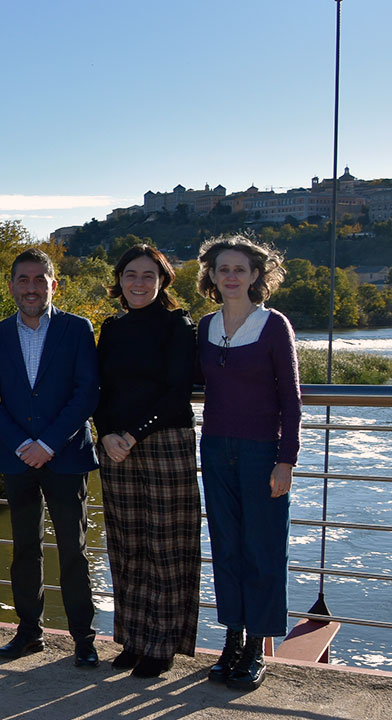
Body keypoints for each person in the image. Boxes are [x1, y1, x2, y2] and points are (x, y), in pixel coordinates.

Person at [0, 248, 101, 668]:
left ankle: (83, 638)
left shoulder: (78, 328)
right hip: (17, 459)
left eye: (39, 279)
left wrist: (47, 443)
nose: (31, 288)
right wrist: (19, 443)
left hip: (66, 456)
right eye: (23, 280)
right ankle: (29, 632)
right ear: (11, 285)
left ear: (54, 284)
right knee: (24, 548)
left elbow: (86, 392)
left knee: (74, 549)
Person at [194, 236, 300, 691]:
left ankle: (256, 647)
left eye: (240, 269)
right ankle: (231, 640)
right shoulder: (204, 327)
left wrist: (286, 461)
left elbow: (291, 401)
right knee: (227, 548)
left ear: (256, 275)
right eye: (223, 269)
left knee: (263, 549)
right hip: (215, 448)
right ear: (212, 277)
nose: (231, 276)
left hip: (262, 453)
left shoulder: (274, 325)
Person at [95, 244, 200, 678]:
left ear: (162, 281)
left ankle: (162, 644)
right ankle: (133, 638)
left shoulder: (177, 324)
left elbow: (179, 389)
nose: (138, 283)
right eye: (130, 275)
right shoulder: (112, 326)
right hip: (116, 446)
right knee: (127, 544)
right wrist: (105, 434)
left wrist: (134, 434)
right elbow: (97, 387)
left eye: (147, 276)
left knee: (167, 546)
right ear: (119, 281)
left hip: (164, 442)